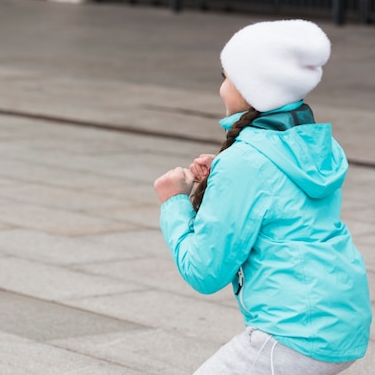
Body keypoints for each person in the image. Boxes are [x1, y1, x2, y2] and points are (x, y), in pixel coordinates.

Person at [153, 19, 371, 374]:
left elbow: (204, 272)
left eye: (226, 78)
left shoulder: (245, 162)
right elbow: (275, 191)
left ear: (251, 86)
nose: (222, 89)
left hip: (293, 333)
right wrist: (224, 175)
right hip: (342, 322)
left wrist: (173, 202)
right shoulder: (315, 144)